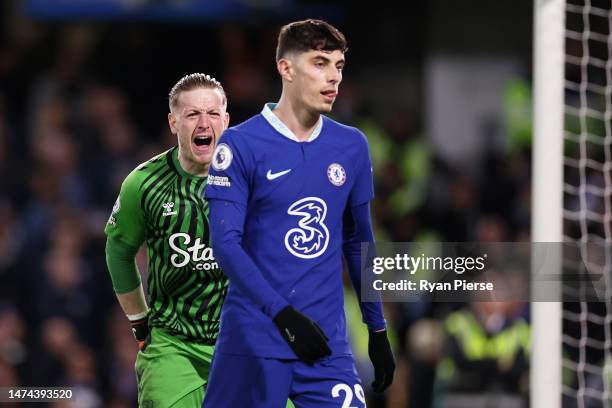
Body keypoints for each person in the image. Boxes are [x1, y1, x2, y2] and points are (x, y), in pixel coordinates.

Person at [203, 19, 395, 407]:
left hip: (324, 346)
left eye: (339, 66)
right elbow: (223, 243)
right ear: (286, 68)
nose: (333, 78)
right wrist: (282, 315)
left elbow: (359, 241)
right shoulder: (240, 145)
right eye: (320, 63)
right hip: (254, 341)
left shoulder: (351, 145)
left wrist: (376, 328)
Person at [104, 73, 229, 407]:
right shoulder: (144, 184)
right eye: (192, 115)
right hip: (174, 346)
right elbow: (118, 250)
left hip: (243, 342)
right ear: (174, 123)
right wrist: (139, 320)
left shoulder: (253, 177)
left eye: (213, 114)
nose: (204, 123)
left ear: (226, 121)